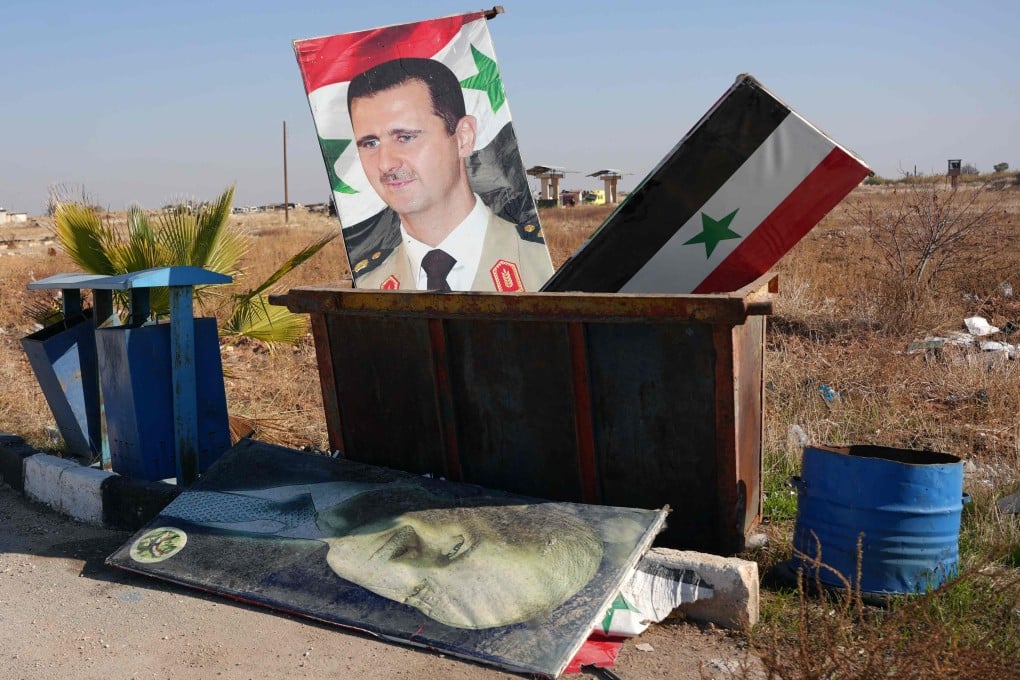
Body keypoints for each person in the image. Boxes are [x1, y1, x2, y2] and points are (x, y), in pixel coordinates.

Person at [148, 480, 604, 630]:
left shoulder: (267, 570)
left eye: (424, 594)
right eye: (457, 548)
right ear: (473, 513)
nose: (408, 563)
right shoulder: (322, 486)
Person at [345, 57, 553, 292]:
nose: (385, 164)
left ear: (463, 138)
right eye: (370, 143)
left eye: (405, 137)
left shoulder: (544, 265)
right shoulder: (367, 286)